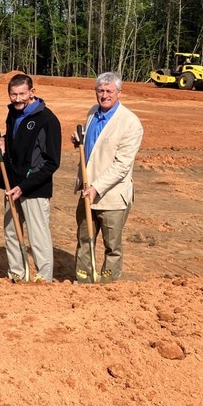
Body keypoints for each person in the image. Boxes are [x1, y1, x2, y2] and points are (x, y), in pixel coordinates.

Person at [71, 72, 143, 283]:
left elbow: (122, 165)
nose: (104, 95)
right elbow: (95, 147)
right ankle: (83, 278)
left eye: (109, 91)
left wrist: (96, 188)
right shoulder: (93, 112)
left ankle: (108, 284)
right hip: (87, 190)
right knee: (85, 239)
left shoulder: (131, 123)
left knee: (112, 245)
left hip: (111, 196)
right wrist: (80, 142)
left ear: (119, 92)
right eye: (100, 91)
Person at [0, 73, 61, 283]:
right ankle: (18, 273)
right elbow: (16, 142)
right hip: (11, 185)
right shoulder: (12, 114)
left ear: (32, 92)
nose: (18, 99)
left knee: (38, 235)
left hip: (34, 188)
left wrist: (25, 186)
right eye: (13, 94)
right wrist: (2, 140)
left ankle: (43, 277)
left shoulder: (47, 120)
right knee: (11, 231)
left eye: (22, 94)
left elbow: (52, 162)